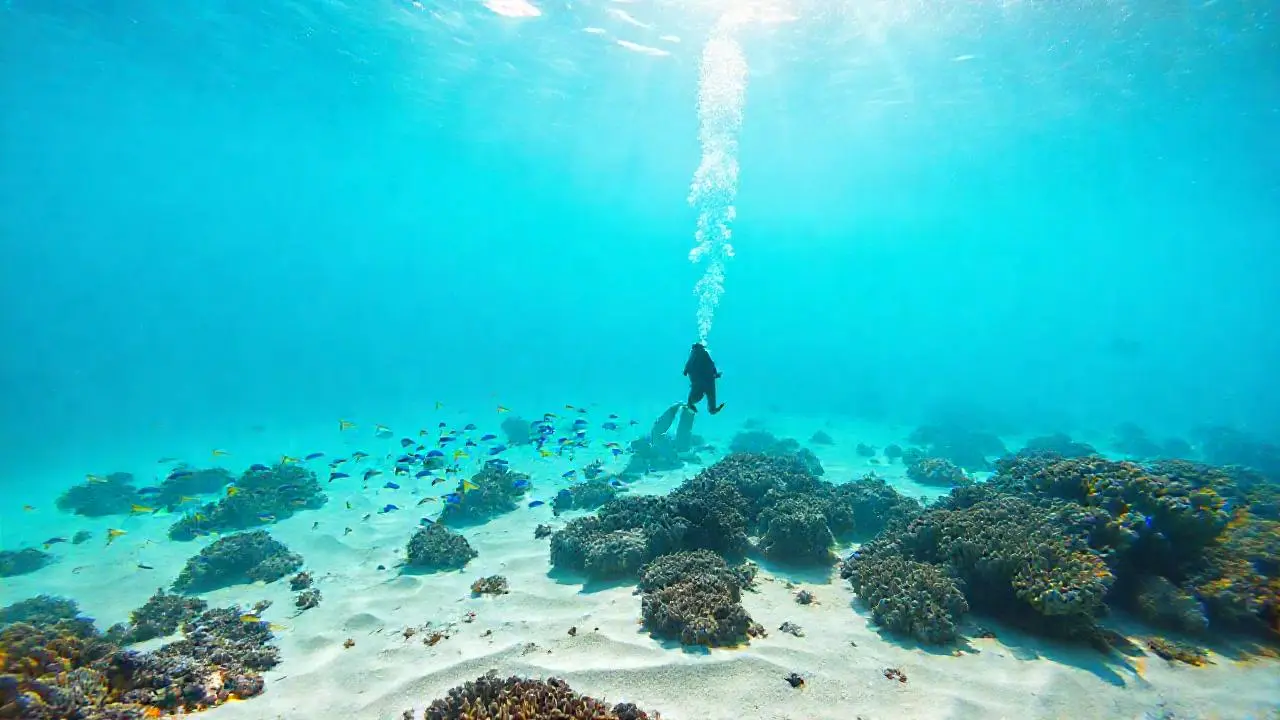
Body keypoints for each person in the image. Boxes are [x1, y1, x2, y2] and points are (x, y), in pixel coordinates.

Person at [683, 342, 724, 414]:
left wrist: (686, 371)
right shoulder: (699, 354)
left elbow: (686, 369)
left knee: (697, 394)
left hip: (703, 381)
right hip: (706, 381)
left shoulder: (694, 354)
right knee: (708, 396)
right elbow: (712, 366)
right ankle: (711, 409)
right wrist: (716, 374)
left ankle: (691, 404)